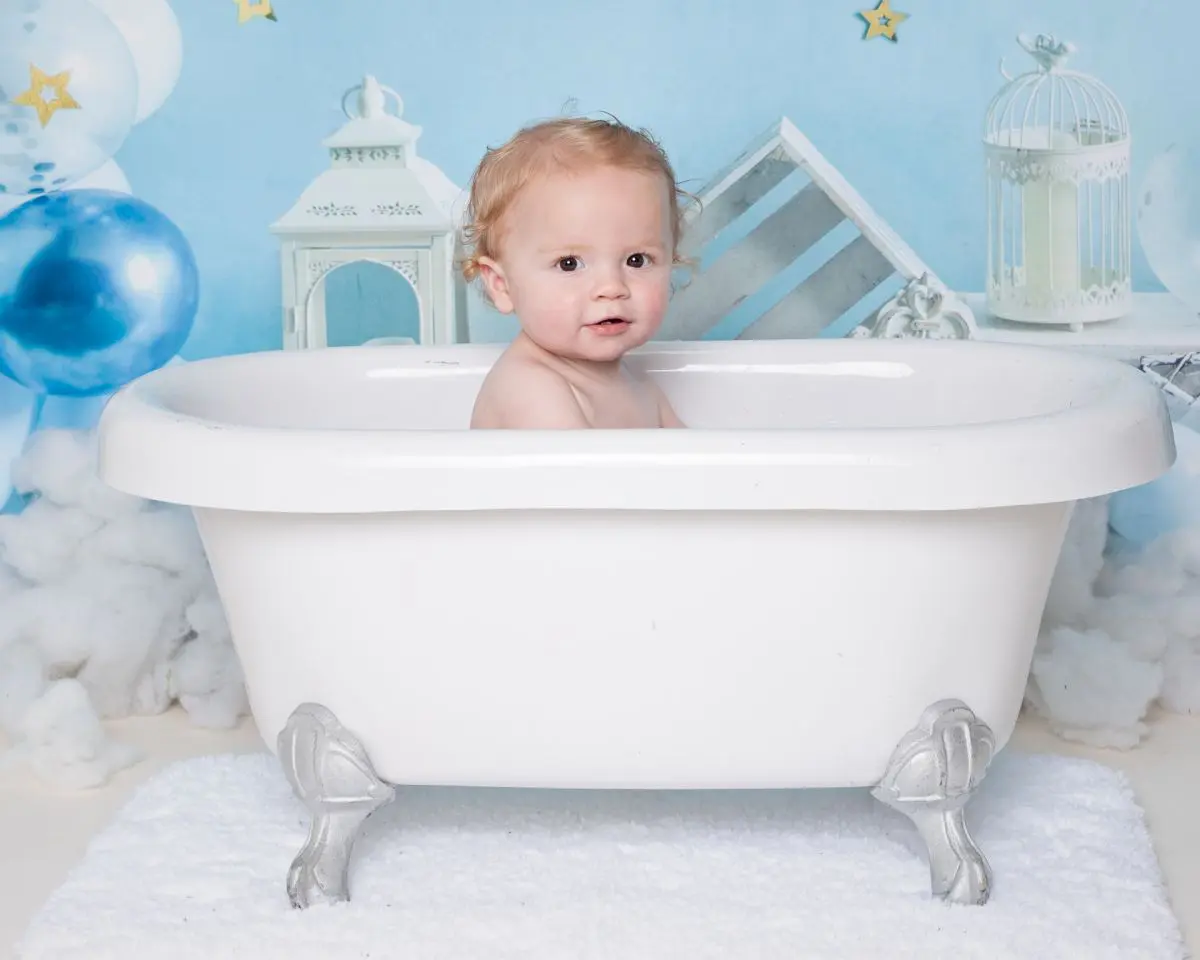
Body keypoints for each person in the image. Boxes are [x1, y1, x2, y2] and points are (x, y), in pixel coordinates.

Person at [460, 115, 690, 429]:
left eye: (637, 260)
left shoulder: (639, 387)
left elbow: (701, 464)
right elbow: (580, 479)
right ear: (502, 285)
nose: (611, 287)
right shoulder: (532, 391)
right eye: (569, 263)